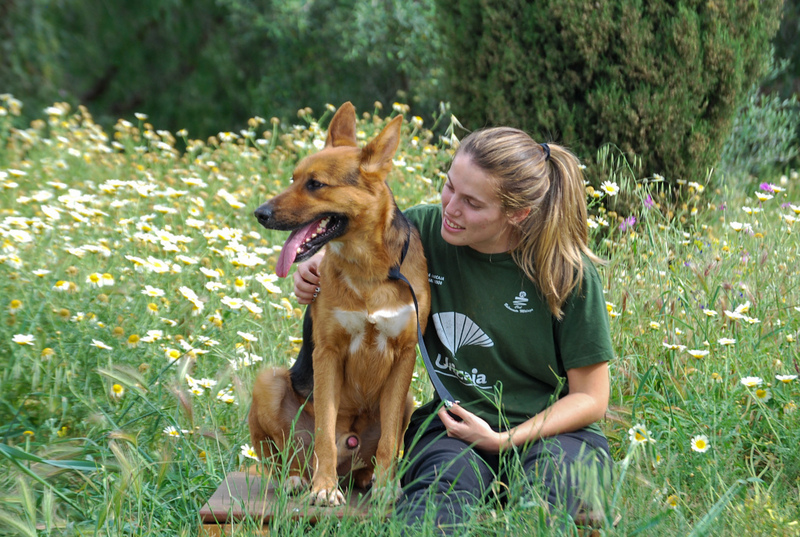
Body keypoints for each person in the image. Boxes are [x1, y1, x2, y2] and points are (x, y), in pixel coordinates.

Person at [292, 127, 614, 533]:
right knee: (432, 510)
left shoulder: (567, 273)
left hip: (556, 435)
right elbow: (359, 234)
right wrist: (314, 263)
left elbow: (591, 398)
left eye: (472, 203)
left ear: (518, 214)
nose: (451, 208)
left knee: (547, 508)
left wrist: (504, 440)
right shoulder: (425, 230)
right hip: (454, 430)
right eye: (449, 187)